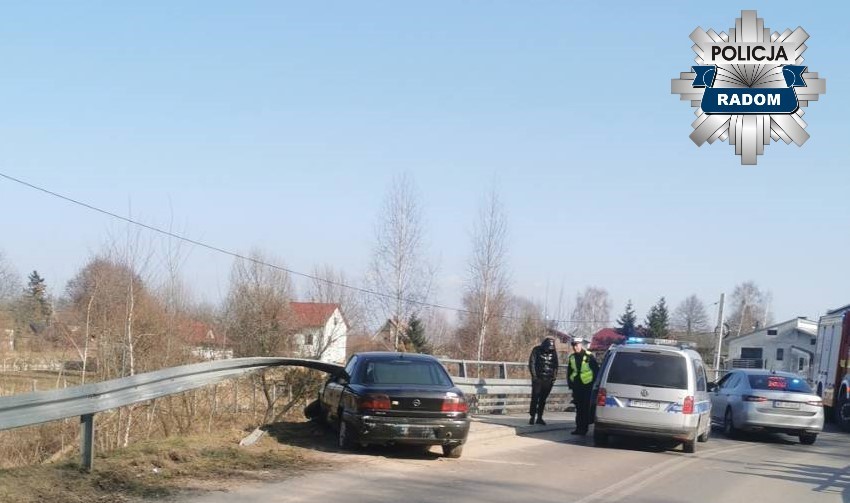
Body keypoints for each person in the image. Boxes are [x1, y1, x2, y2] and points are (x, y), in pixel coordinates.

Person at [567, 336, 599, 435]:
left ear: (581, 345)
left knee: (585, 408)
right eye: (573, 345)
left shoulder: (589, 356)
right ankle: (578, 428)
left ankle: (584, 429)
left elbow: (596, 371)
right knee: (578, 408)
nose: (575, 347)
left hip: (587, 387)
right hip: (577, 387)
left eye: (576, 345)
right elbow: (569, 372)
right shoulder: (572, 357)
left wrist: (594, 385)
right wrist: (570, 384)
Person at [527, 336, 558, 425]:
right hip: (538, 378)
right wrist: (534, 376)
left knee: (543, 399)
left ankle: (539, 417)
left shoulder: (554, 352)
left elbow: (556, 365)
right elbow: (532, 363)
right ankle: (532, 416)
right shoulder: (536, 350)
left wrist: (554, 378)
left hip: (548, 379)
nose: (549, 350)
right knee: (535, 398)